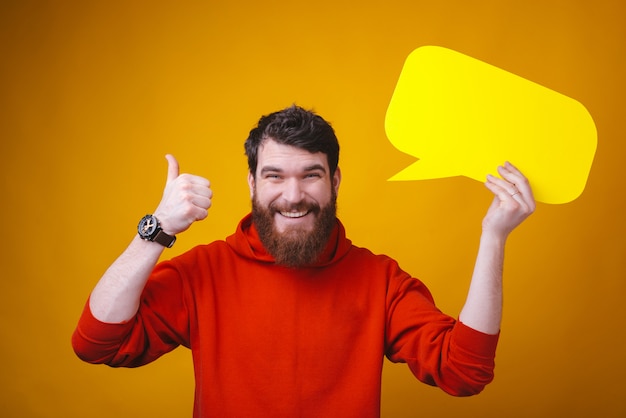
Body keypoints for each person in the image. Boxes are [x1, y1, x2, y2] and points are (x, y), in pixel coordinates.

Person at [72, 105, 535, 417]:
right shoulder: (203, 273)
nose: (293, 196)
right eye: (275, 176)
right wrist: (157, 230)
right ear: (252, 183)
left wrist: (493, 237)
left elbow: (464, 371)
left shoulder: (380, 280)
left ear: (334, 180)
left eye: (310, 175)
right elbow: (96, 344)